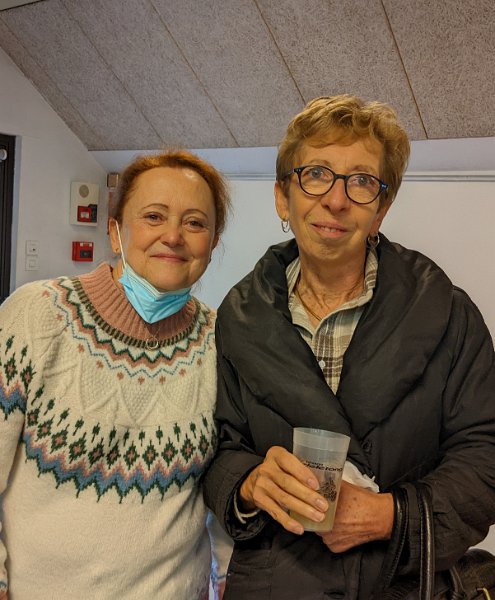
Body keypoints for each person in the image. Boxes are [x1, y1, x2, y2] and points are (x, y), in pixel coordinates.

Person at [203, 95, 495, 599]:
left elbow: (485, 450)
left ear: (381, 209)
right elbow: (220, 446)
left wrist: (392, 515)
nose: (336, 200)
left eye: (361, 181)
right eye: (316, 174)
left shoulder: (447, 313)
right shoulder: (238, 317)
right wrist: (249, 482)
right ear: (282, 198)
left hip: (401, 582)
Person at [0, 149, 232, 599]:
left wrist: (227, 578)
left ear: (213, 243)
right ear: (115, 232)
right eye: (153, 216)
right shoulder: (35, 316)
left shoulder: (223, 342)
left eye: (194, 223)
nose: (173, 236)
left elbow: (224, 481)